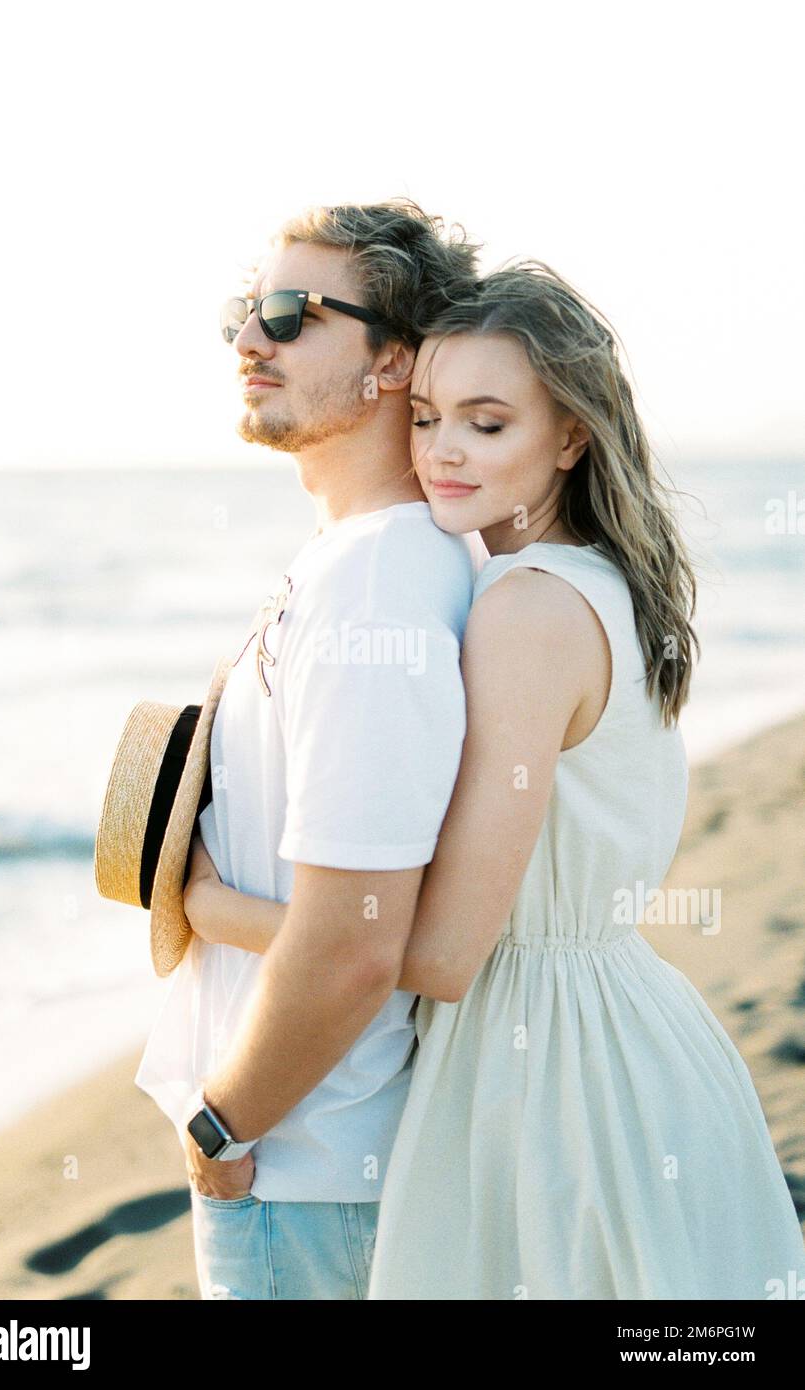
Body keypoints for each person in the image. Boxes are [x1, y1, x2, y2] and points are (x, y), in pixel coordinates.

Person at [187, 260, 805, 1299]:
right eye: (426, 417)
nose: (440, 454)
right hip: (623, 1031)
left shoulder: (520, 613)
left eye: (485, 423)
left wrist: (208, 903)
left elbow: (435, 953)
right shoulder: (597, 581)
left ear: (568, 436)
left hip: (548, 1074)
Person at [134, 199, 484, 1300]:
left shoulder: (377, 578)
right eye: (247, 310)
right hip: (301, 1155)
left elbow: (359, 943)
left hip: (302, 1163)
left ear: (392, 360)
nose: (250, 339)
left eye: (290, 314)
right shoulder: (355, 559)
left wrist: (224, 1121)